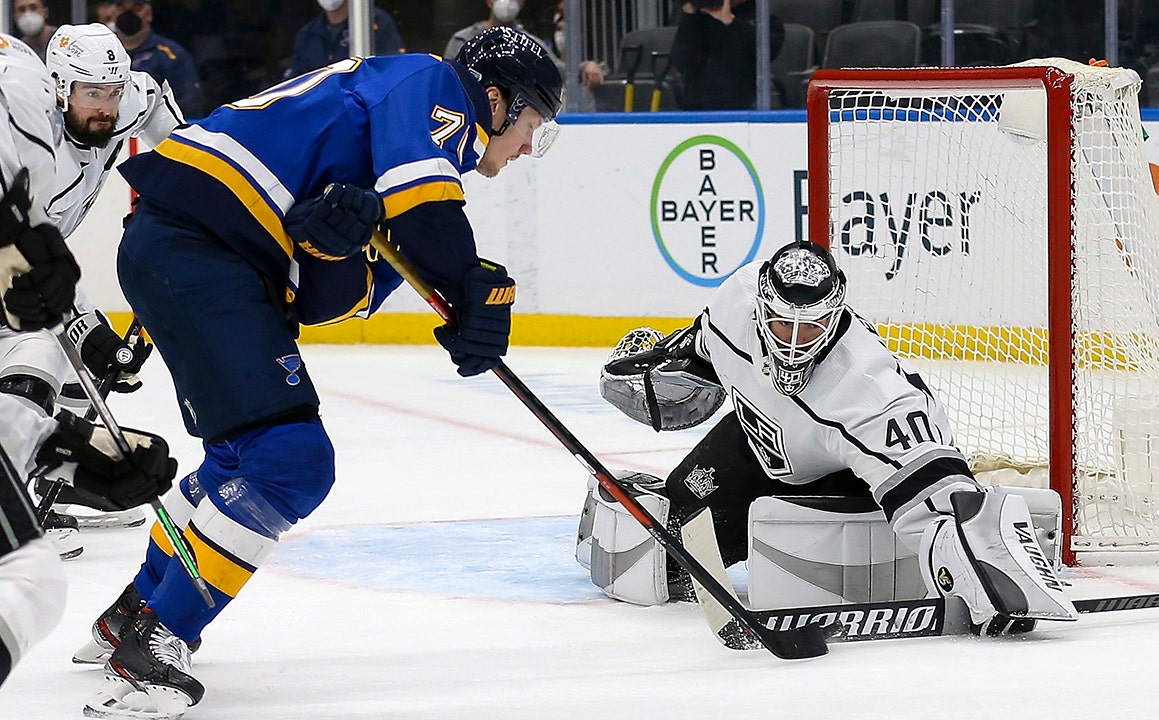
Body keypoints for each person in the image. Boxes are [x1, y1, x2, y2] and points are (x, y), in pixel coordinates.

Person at [79, 25, 562, 718]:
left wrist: (330, 247)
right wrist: (469, 287)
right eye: (532, 126)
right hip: (197, 245)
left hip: (192, 252)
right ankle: (157, 639)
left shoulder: (395, 167)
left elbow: (329, 304)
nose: (525, 150)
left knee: (239, 459)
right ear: (494, 99)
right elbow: (432, 221)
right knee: (292, 460)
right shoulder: (429, 85)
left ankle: (136, 613)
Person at [582, 241, 1078, 636]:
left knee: (803, 568)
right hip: (762, 442)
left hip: (846, 477)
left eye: (812, 327)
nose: (794, 344)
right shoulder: (735, 300)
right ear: (759, 310)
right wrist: (668, 360)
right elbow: (704, 352)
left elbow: (942, 497)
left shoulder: (871, 391)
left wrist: (995, 580)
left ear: (837, 318)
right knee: (666, 554)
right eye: (782, 325)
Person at [0, 32, 177, 690]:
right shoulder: (29, 135)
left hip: (26, 256)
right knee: (44, 349)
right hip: (17, 258)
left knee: (67, 361)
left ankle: (49, 476)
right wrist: (90, 328)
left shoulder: (131, 98)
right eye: (89, 94)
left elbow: (190, 151)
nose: (104, 108)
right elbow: (37, 273)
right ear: (55, 88)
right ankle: (36, 492)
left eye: (111, 91)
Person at [670, 0, 783, 110]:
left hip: (746, 107)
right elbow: (682, 62)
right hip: (697, 108)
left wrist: (731, 22)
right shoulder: (698, 22)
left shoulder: (764, 22)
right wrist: (690, 16)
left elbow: (766, 51)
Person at [110, 0, 202, 118]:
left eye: (137, 7)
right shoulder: (99, 53)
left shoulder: (172, 55)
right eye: (121, 8)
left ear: (149, 14)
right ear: (112, 14)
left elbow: (190, 105)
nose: (128, 13)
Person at [284, 0, 406, 80]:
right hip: (324, 115)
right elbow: (293, 84)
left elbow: (394, 73)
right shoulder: (308, 34)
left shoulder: (373, 23)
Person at [445, 0, 555, 64]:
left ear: (522, 2)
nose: (507, 2)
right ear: (488, 1)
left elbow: (561, 75)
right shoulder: (462, 41)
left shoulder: (533, 46)